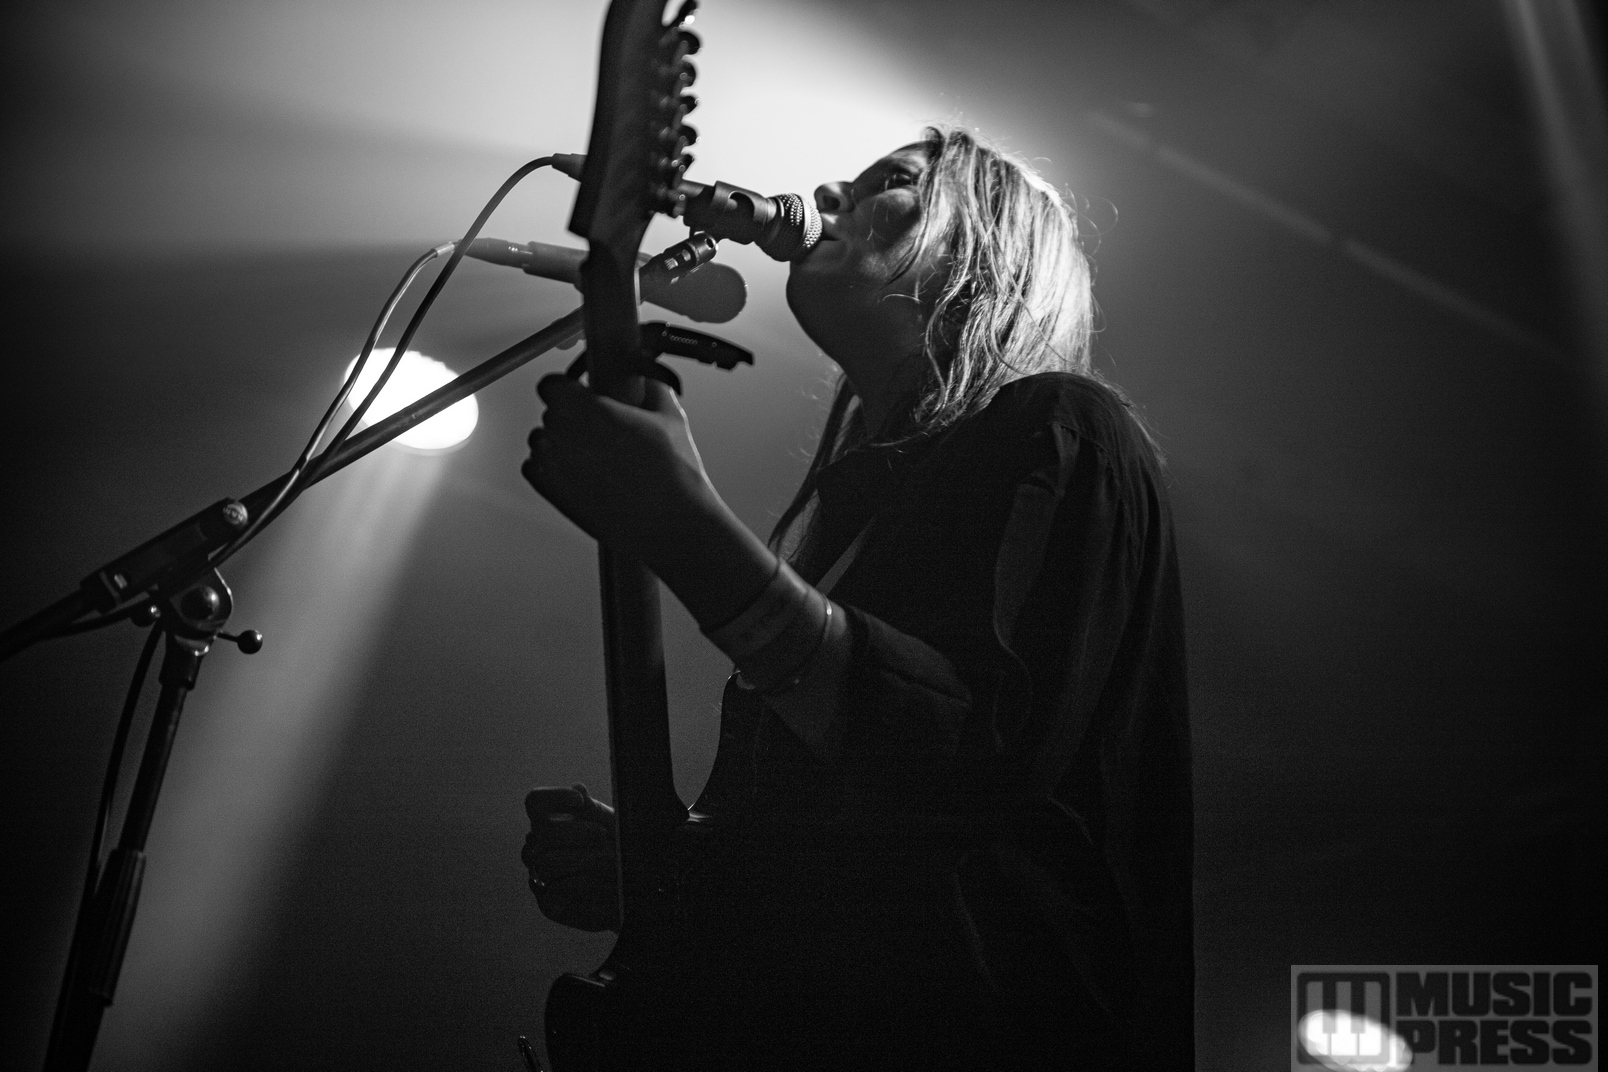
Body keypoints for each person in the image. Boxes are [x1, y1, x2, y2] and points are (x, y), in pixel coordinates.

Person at [520, 125, 1193, 1071]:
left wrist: (688, 531)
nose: (832, 190)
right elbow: (862, 853)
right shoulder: (860, 514)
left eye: (894, 181)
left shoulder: (1063, 429)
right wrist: (674, 869)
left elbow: (970, 761)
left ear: (983, 249)